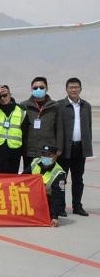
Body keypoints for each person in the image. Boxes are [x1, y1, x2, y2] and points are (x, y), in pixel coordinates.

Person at [57, 77, 92, 216]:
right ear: (66, 89)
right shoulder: (59, 105)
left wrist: (87, 146)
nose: (74, 89)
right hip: (64, 148)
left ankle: (77, 206)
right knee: (61, 179)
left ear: (80, 89)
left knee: (78, 179)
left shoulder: (86, 106)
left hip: (80, 148)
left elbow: (88, 127)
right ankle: (60, 207)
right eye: (71, 87)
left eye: (76, 87)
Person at [20, 76, 63, 174]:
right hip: (29, 150)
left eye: (41, 87)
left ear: (47, 88)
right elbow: (21, 129)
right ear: (31, 89)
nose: (38, 89)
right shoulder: (24, 106)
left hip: (48, 151)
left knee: (46, 178)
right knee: (29, 178)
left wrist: (59, 148)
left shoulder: (55, 106)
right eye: (35, 88)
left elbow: (59, 129)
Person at [31, 145, 65, 227]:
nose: (45, 157)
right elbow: (23, 178)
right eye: (43, 154)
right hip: (32, 198)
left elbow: (58, 197)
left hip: (46, 201)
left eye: (49, 155)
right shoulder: (35, 162)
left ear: (55, 156)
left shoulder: (59, 173)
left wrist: (54, 217)